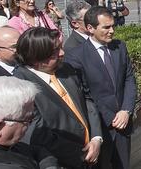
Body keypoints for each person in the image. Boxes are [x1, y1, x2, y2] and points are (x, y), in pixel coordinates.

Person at [14, 27, 102, 168]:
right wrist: (81, 154)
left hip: (93, 152)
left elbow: (87, 101)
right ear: (36, 58)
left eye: (60, 47)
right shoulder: (20, 86)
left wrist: (96, 138)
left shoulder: (66, 69)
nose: (62, 53)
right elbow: (39, 134)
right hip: (65, 161)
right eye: (55, 52)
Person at [64, 6, 137, 169]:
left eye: (113, 26)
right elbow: (82, 96)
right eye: (106, 27)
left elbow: (129, 79)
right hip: (99, 129)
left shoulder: (120, 47)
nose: (112, 31)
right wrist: (110, 117)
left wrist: (126, 110)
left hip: (123, 125)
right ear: (90, 28)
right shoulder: (76, 56)